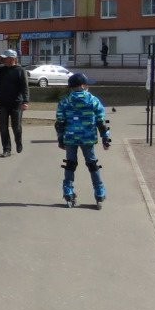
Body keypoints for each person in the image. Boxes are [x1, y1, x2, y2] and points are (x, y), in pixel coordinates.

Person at [55, 72, 111, 208]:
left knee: (70, 164)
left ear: (71, 87)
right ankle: (99, 193)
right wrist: (106, 138)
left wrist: (60, 139)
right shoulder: (93, 100)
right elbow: (101, 121)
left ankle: (68, 192)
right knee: (92, 164)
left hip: (70, 138)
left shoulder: (65, 101)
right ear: (83, 85)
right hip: (88, 138)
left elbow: (60, 123)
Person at [0, 49, 29, 156]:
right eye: (3, 58)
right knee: (3, 127)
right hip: (2, 103)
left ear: (12, 59)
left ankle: (18, 142)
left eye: (5, 58)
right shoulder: (1, 69)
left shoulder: (20, 70)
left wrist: (25, 101)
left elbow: (25, 87)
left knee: (16, 127)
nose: (3, 59)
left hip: (16, 103)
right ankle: (6, 149)